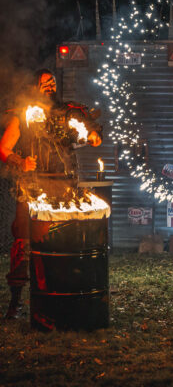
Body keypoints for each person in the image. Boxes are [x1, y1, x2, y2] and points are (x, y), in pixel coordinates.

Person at [0, 69, 102, 319]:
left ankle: (59, 299)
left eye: (53, 82)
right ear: (34, 86)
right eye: (44, 82)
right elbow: (3, 148)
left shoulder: (67, 114)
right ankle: (15, 303)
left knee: (62, 246)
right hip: (31, 187)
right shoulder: (23, 116)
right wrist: (20, 161)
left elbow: (92, 139)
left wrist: (90, 136)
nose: (50, 86)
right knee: (24, 245)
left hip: (64, 189)